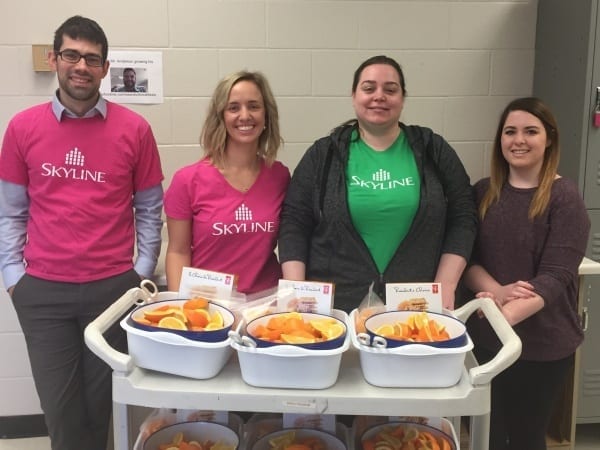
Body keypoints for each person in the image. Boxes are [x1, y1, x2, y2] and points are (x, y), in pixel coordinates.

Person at [0, 16, 164, 450]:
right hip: (43, 294)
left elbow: (149, 210)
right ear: (55, 59)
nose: (81, 66)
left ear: (106, 68)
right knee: (61, 412)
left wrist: (140, 276)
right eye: (71, 54)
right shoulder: (22, 128)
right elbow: (10, 213)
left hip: (113, 292)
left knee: (104, 407)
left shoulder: (135, 130)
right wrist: (14, 279)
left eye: (92, 58)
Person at [278, 55, 477, 312]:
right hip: (337, 307)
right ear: (354, 96)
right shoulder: (324, 154)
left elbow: (464, 215)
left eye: (390, 89)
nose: (379, 96)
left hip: (416, 304)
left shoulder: (432, 149)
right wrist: (296, 289)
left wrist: (446, 284)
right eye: (369, 88)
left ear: (402, 98)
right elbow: (294, 219)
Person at [462, 97, 590, 450]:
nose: (518, 140)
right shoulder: (483, 192)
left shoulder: (565, 197)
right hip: (486, 340)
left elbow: (557, 274)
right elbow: (467, 259)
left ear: (549, 139)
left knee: (525, 437)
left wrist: (504, 312)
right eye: (510, 132)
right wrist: (495, 291)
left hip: (543, 346)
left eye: (530, 131)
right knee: (487, 434)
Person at [164, 71, 290, 294]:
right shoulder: (187, 180)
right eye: (233, 108)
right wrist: (179, 306)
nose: (245, 116)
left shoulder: (280, 176)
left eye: (253, 106)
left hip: (266, 307)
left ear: (266, 114)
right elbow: (178, 251)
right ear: (221, 116)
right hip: (210, 305)